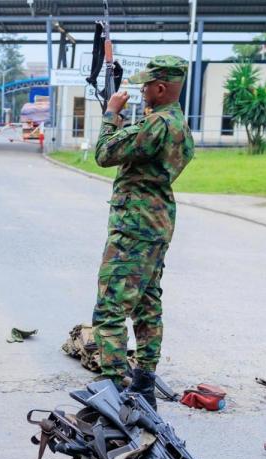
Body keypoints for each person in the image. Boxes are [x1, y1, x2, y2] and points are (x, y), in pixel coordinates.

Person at [90, 55, 195, 410]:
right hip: (157, 222)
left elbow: (104, 154)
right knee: (148, 304)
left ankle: (115, 392)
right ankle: (145, 383)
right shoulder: (178, 124)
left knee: (110, 308)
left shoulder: (156, 126)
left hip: (134, 227)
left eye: (147, 85)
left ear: (162, 88)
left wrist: (110, 113)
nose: (141, 90)